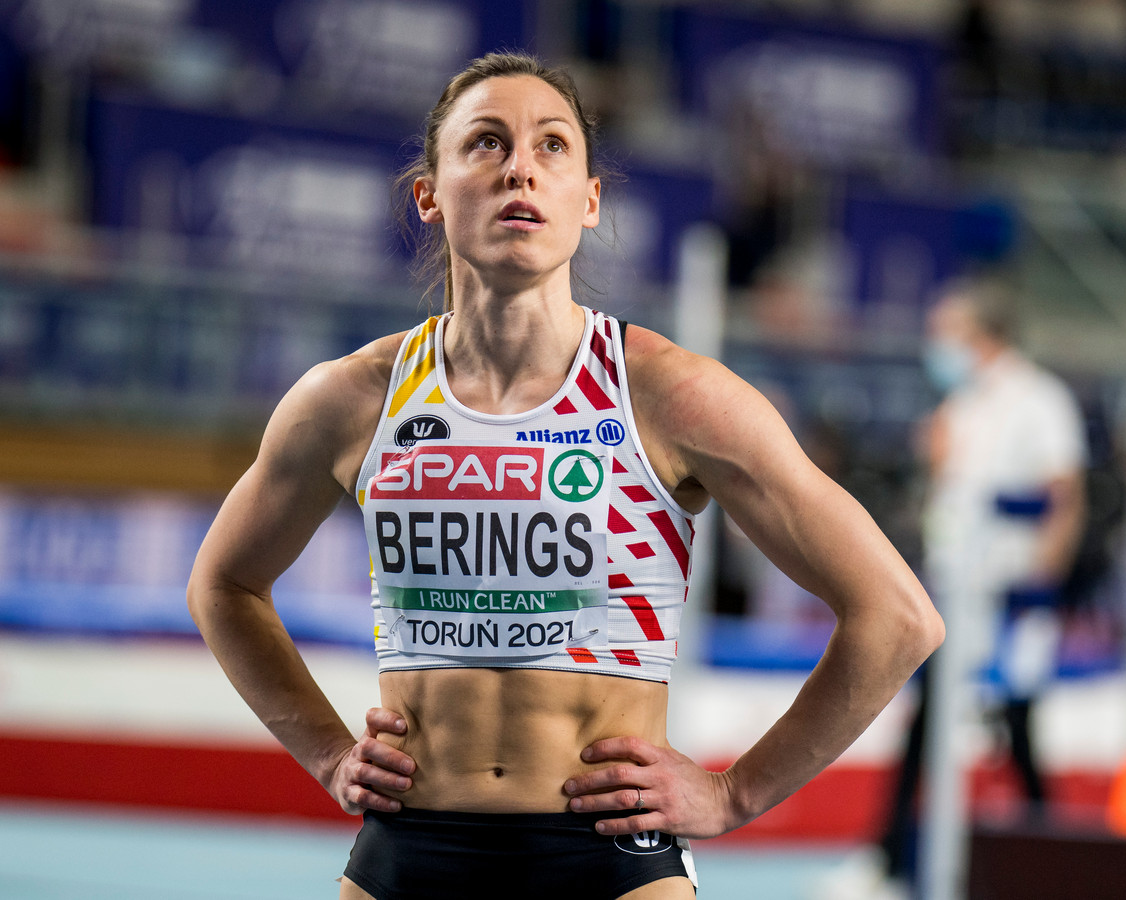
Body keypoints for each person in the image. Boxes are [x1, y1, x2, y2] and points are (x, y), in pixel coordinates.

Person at [187, 52, 944, 900]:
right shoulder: (352, 400)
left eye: (552, 146)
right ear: (429, 195)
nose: (520, 167)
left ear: (588, 201)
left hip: (609, 859)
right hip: (410, 848)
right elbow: (223, 585)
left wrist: (737, 793)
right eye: (485, 143)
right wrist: (327, 755)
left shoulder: (669, 396)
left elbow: (898, 616)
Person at [828, 277, 1086, 900]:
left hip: (1010, 597)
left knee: (1017, 728)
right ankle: (892, 859)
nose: (934, 344)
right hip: (954, 590)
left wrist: (1038, 591)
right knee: (930, 724)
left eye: (946, 331)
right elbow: (955, 504)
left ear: (982, 336)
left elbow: (1064, 500)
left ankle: (1043, 856)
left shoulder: (1039, 401)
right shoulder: (960, 407)